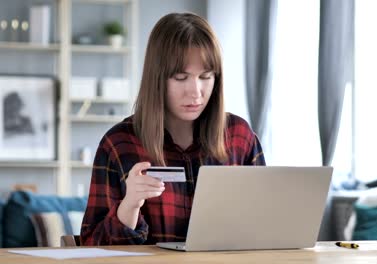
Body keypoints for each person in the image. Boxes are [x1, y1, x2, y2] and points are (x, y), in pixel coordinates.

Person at [80, 12, 265, 246]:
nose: (196, 92)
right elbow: (89, 248)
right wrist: (129, 207)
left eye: (206, 76)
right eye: (180, 77)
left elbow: (263, 228)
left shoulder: (239, 136)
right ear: (157, 78)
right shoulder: (119, 143)